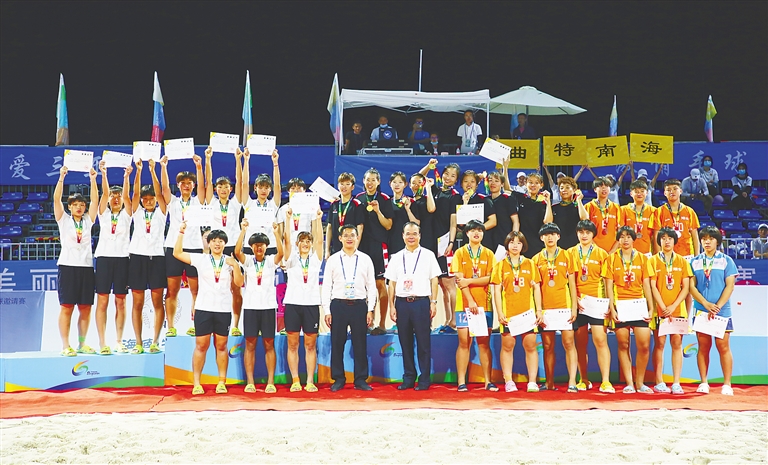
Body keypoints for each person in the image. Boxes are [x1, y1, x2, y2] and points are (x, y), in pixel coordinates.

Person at [173, 224, 243, 395]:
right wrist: (181, 232)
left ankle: (221, 382)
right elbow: (177, 253)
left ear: (225, 243)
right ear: (209, 243)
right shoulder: (201, 259)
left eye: (221, 241)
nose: (217, 244)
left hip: (223, 310)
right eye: (214, 241)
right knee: (201, 346)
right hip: (203, 308)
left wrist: (235, 266)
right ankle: (197, 383)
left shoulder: (230, 261)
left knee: (222, 346)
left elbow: (240, 283)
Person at [385, 222, 442, 390]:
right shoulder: (396, 257)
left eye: (414, 233)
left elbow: (434, 280)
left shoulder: (428, 255)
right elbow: (391, 283)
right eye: (408, 233)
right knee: (405, 343)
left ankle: (424, 379)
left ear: (420, 236)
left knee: (424, 343)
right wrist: (392, 306)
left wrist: (433, 302)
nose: (411, 237)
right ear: (402, 236)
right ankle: (408, 378)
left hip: (421, 303)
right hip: (402, 303)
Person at [322, 224, 378, 392]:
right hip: (338, 305)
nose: (349, 238)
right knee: (337, 343)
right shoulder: (333, 260)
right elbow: (326, 286)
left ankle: (360, 379)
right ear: (340, 238)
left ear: (357, 237)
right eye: (345, 235)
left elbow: (372, 286)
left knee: (360, 344)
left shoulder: (365, 259)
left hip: (359, 305)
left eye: (352, 235)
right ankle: (338, 378)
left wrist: (370, 309)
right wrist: (327, 310)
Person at [54, 166, 99, 356]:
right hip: (67, 267)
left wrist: (93, 179)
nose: (79, 207)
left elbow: (96, 200)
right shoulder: (63, 220)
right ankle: (65, 345)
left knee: (85, 308)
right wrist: (61, 177)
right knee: (67, 307)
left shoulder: (89, 220)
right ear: (70, 207)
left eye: (82, 204)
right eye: (75, 204)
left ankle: (82, 344)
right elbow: (56, 199)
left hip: (86, 267)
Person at [235, 218, 284, 394]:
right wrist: (243, 230)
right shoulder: (248, 261)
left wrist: (276, 233)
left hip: (268, 307)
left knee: (269, 345)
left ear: (266, 246)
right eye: (255, 245)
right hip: (250, 308)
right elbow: (236, 251)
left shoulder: (270, 261)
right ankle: (250, 382)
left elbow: (281, 253)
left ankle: (270, 382)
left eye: (262, 245)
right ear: (251, 247)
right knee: (250, 346)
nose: (259, 248)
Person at [490, 231, 542, 393]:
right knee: (507, 346)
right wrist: (499, 312)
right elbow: (496, 291)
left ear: (523, 245)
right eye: (512, 242)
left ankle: (532, 381)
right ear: (507, 244)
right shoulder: (500, 266)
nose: (515, 245)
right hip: (509, 314)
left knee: (530, 346)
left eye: (518, 243)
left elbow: (537, 288)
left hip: (527, 313)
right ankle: (509, 381)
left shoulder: (530, 264)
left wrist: (539, 310)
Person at [605, 226, 655, 394]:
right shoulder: (611, 259)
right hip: (621, 306)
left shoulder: (643, 259)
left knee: (644, 345)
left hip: (639, 305)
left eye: (628, 236)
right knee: (623, 344)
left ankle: (640, 383)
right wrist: (612, 308)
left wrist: (651, 307)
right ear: (618, 240)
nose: (625, 240)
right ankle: (629, 383)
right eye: (622, 237)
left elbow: (647, 285)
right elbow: (608, 287)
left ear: (634, 239)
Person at [689, 226, 737, 396]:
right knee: (703, 347)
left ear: (717, 241)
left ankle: (727, 384)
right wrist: (705, 303)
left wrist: (717, 306)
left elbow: (730, 286)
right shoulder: (694, 262)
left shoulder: (726, 261)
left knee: (723, 346)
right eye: (704, 239)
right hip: (701, 310)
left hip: (721, 311)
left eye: (711, 238)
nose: (707, 242)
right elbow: (691, 287)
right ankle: (703, 382)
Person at [161, 153, 205, 338]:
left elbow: (203, 187)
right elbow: (164, 188)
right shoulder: (173, 202)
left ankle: (195, 325)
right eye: (183, 183)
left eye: (190, 183)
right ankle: (171, 326)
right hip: (174, 247)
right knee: (172, 290)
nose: (186, 185)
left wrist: (199, 167)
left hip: (194, 248)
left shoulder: (198, 201)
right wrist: (163, 167)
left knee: (196, 290)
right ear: (178, 185)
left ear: (193, 185)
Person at [451, 220, 497, 392]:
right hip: (464, 304)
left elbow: (491, 278)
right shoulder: (460, 253)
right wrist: (470, 300)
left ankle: (488, 381)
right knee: (464, 343)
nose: (476, 233)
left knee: (484, 343)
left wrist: (469, 281)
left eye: (480, 230)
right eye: (473, 230)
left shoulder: (489, 254)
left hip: (484, 304)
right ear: (467, 233)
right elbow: (459, 280)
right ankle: (461, 382)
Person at [127, 159, 167, 354]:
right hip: (137, 258)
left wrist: (153, 170)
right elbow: (134, 193)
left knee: (158, 302)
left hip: (157, 258)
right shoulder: (136, 212)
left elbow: (160, 193)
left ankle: (155, 340)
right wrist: (138, 171)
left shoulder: (162, 213)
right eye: (145, 198)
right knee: (137, 303)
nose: (149, 200)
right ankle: (138, 342)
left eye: (151, 198)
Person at [569, 220, 614, 394]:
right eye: (581, 232)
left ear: (593, 234)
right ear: (576, 234)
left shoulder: (602, 254)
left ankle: (605, 381)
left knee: (600, 340)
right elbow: (567, 280)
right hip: (579, 304)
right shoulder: (570, 253)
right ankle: (583, 380)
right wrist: (574, 300)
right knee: (580, 343)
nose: (584, 235)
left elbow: (607, 281)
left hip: (597, 303)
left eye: (587, 232)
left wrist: (609, 303)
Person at [282, 207, 324, 393]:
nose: (305, 244)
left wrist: (318, 219)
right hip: (293, 304)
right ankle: (295, 380)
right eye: (302, 241)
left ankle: (309, 381)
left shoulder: (316, 260)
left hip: (311, 305)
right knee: (292, 345)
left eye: (308, 241)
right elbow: (286, 241)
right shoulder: (291, 260)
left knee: (310, 345)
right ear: (297, 244)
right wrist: (288, 219)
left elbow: (320, 240)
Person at [533, 223, 578, 392]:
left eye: (553, 234)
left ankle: (572, 382)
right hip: (546, 308)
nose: (550, 237)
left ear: (558, 236)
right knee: (547, 346)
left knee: (569, 343)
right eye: (546, 235)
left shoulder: (567, 256)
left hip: (564, 307)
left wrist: (574, 308)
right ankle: (549, 383)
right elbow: (536, 287)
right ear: (541, 238)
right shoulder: (536, 259)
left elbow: (572, 284)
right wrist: (538, 310)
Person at [93, 160, 132, 355]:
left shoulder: (128, 215)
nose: (116, 198)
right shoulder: (103, 214)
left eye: (119, 196)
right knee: (102, 301)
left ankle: (119, 341)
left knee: (121, 301)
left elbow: (127, 195)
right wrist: (104, 174)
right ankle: (102, 342)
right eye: (113, 195)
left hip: (123, 259)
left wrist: (126, 177)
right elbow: (104, 193)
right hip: (104, 259)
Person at [418, 159, 461, 333]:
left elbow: (453, 223)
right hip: (430, 241)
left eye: (453, 176)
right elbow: (419, 177)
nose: (448, 177)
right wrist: (429, 166)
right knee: (442, 285)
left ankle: (454, 321)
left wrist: (450, 243)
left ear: (456, 179)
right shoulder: (434, 190)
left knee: (449, 284)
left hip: (444, 242)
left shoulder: (455, 196)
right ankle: (447, 320)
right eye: (446, 174)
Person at [205, 147, 245, 335]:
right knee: (215, 286)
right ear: (215, 189)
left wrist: (238, 160)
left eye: (226, 186)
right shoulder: (211, 202)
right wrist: (208, 159)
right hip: (215, 248)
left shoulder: (236, 203)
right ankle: (214, 323)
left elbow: (241, 181)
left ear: (230, 189)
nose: (222, 189)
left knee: (235, 288)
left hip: (233, 248)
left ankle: (235, 325)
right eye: (219, 186)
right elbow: (206, 180)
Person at [649, 227, 693, 394]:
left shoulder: (682, 261)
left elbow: (686, 287)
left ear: (675, 241)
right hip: (659, 311)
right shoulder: (653, 261)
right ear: (659, 241)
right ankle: (659, 381)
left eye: (670, 238)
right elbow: (652, 286)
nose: (666, 241)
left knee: (677, 344)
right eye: (663, 238)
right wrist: (662, 306)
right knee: (659, 345)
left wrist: (673, 306)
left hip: (678, 310)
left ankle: (676, 382)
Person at [355, 168, 394, 335]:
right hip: (362, 247)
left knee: (380, 284)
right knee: (363, 287)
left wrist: (378, 211)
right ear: (363, 181)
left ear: (378, 182)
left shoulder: (384, 199)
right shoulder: (358, 199)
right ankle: (367, 323)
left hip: (379, 246)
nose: (370, 183)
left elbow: (389, 225)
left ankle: (382, 323)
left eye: (373, 180)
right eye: (367, 180)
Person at [241, 149, 281, 257]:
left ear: (270, 189)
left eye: (266, 187)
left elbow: (277, 185)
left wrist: (275, 163)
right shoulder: (249, 203)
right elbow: (244, 184)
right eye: (260, 187)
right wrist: (246, 160)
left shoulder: (273, 204)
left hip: (270, 245)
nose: (263, 190)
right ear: (255, 188)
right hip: (250, 244)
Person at [653, 179, 700, 258]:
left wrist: (697, 257)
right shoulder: (659, 212)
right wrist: (659, 256)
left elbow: (695, 236)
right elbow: (656, 237)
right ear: (665, 193)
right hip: (667, 255)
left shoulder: (689, 211)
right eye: (668, 190)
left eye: (675, 189)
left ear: (680, 191)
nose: (672, 192)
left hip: (687, 255)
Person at [326, 172, 364, 257]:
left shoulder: (357, 205)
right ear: (338, 186)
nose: (344, 187)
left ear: (352, 187)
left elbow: (360, 227)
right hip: (335, 250)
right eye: (342, 184)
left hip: (351, 249)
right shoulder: (334, 204)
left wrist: (355, 249)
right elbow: (329, 227)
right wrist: (327, 250)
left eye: (347, 184)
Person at [457, 170, 496, 248]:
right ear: (461, 184)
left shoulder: (484, 199)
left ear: (477, 184)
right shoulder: (458, 200)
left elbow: (493, 221)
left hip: (484, 242)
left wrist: (477, 230)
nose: (469, 184)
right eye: (466, 181)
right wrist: (465, 203)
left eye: (472, 181)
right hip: (466, 242)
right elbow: (460, 224)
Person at [483, 170, 519, 250]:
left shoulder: (507, 199)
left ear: (502, 184)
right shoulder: (485, 200)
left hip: (503, 240)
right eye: (490, 180)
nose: (493, 183)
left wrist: (514, 239)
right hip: (487, 241)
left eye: (496, 181)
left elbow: (515, 221)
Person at [584, 177, 622, 253]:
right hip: (593, 251)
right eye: (601, 186)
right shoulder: (588, 207)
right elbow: (585, 231)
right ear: (595, 189)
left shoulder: (616, 208)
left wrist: (613, 250)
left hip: (613, 252)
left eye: (607, 186)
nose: (604, 188)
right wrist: (597, 250)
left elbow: (621, 232)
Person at [550, 176, 588, 250]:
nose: (564, 190)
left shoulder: (578, 207)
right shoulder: (554, 208)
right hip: (558, 246)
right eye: (561, 188)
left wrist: (579, 200)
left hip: (575, 245)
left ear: (574, 190)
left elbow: (585, 219)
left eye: (567, 187)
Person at [620, 180, 657, 256]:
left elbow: (655, 235)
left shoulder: (653, 211)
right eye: (636, 192)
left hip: (646, 253)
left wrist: (656, 253)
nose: (639, 194)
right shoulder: (623, 210)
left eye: (642, 191)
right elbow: (620, 233)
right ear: (631, 193)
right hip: (628, 252)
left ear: (647, 193)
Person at [404, 173, 437, 257]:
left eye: (419, 182)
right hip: (414, 237)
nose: (416, 185)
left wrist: (428, 188)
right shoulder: (408, 202)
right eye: (413, 183)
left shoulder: (428, 199)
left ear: (424, 184)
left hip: (428, 237)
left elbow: (431, 209)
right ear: (410, 185)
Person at [277, 177, 313, 251]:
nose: (296, 191)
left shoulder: (311, 209)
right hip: (288, 248)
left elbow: (314, 232)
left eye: (299, 188)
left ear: (304, 190)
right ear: (288, 191)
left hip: (306, 246)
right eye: (293, 188)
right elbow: (280, 234)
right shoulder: (282, 209)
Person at [388, 171, 411, 256]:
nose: (397, 185)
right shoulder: (387, 203)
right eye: (394, 182)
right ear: (390, 184)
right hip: (391, 241)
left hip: (406, 240)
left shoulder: (410, 201)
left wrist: (408, 210)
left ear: (405, 184)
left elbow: (416, 223)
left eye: (400, 182)